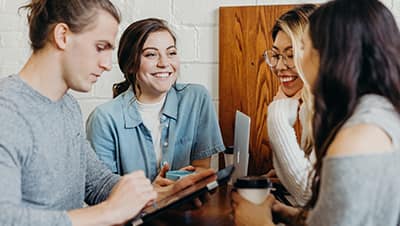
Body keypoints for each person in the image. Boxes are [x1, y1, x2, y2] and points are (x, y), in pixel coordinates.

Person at [0, 1, 214, 225]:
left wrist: (160, 196)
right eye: (100, 47)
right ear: (62, 36)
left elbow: (96, 183)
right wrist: (108, 212)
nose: (107, 64)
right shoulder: (7, 111)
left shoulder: (67, 107)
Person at [232, 0, 400, 225]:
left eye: (303, 47)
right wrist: (291, 215)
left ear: (333, 55)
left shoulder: (358, 136)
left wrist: (257, 222)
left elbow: (309, 194)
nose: (297, 60)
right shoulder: (376, 113)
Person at [86, 18, 225, 181]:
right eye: (151, 54)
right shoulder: (104, 119)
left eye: (171, 53)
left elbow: (201, 170)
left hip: (188, 205)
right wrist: (156, 193)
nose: (164, 63)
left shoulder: (196, 99)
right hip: (134, 207)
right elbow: (102, 190)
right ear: (131, 65)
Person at [264, 4, 316, 206]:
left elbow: (308, 195)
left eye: (291, 54)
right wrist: (286, 178)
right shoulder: (308, 108)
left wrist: (277, 114)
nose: (279, 66)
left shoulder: (335, 109)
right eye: (276, 55)